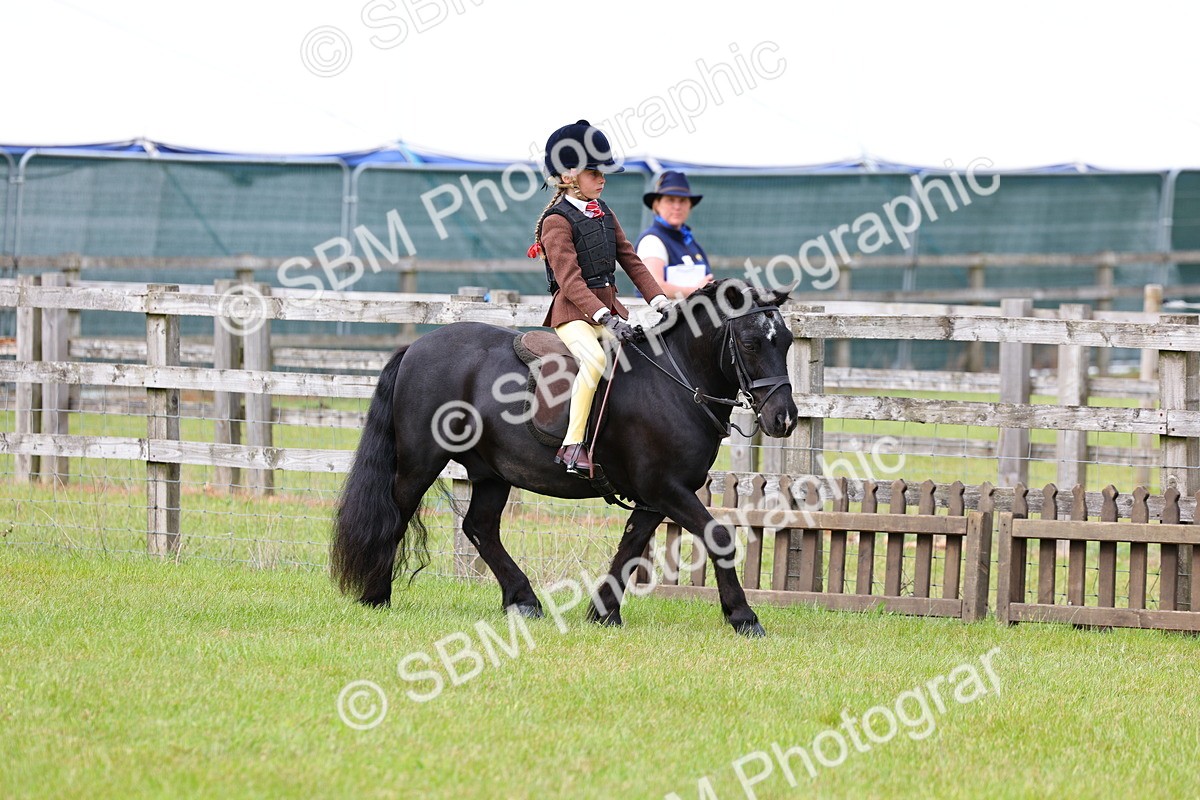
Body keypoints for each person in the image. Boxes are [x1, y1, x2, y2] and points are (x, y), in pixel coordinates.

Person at [527, 120, 671, 476]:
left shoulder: (604, 211)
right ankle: (572, 445)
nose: (603, 178)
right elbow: (570, 281)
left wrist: (659, 300)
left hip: (608, 311)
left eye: (603, 172)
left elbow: (631, 259)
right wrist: (604, 316)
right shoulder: (556, 222)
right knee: (593, 361)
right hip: (574, 315)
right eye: (595, 172)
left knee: (639, 356)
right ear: (569, 175)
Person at [636, 170, 713, 298]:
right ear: (657, 205)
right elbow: (653, 287)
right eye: (670, 200)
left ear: (690, 206)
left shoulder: (689, 241)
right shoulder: (652, 241)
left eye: (682, 200)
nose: (677, 206)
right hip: (659, 317)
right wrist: (699, 291)